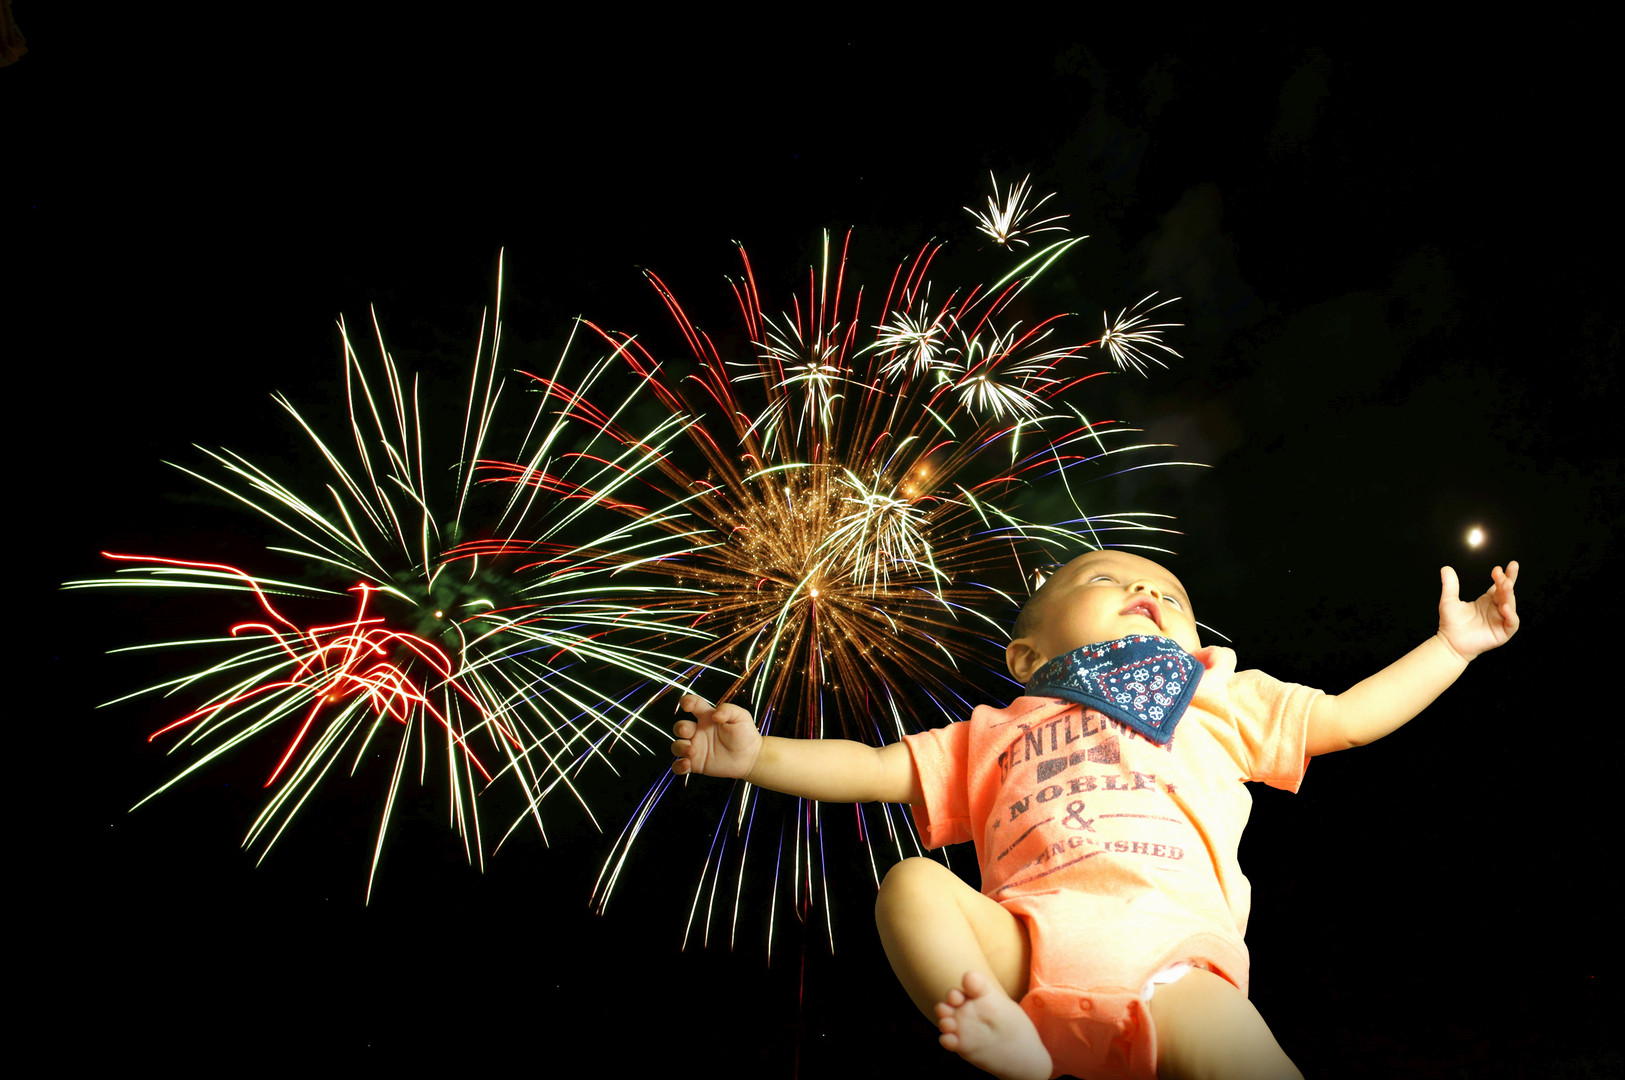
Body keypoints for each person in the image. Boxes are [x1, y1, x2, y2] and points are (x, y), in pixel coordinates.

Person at [671, 548, 1520, 1080]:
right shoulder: (993, 732)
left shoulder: (1215, 698)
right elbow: (872, 767)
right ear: (1027, 655)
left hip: (1173, 967)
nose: (1144, 589)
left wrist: (1450, 648)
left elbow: (1346, 718)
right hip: (1026, 950)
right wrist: (756, 758)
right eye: (1104, 580)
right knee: (911, 886)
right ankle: (1000, 1030)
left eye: (1168, 593)